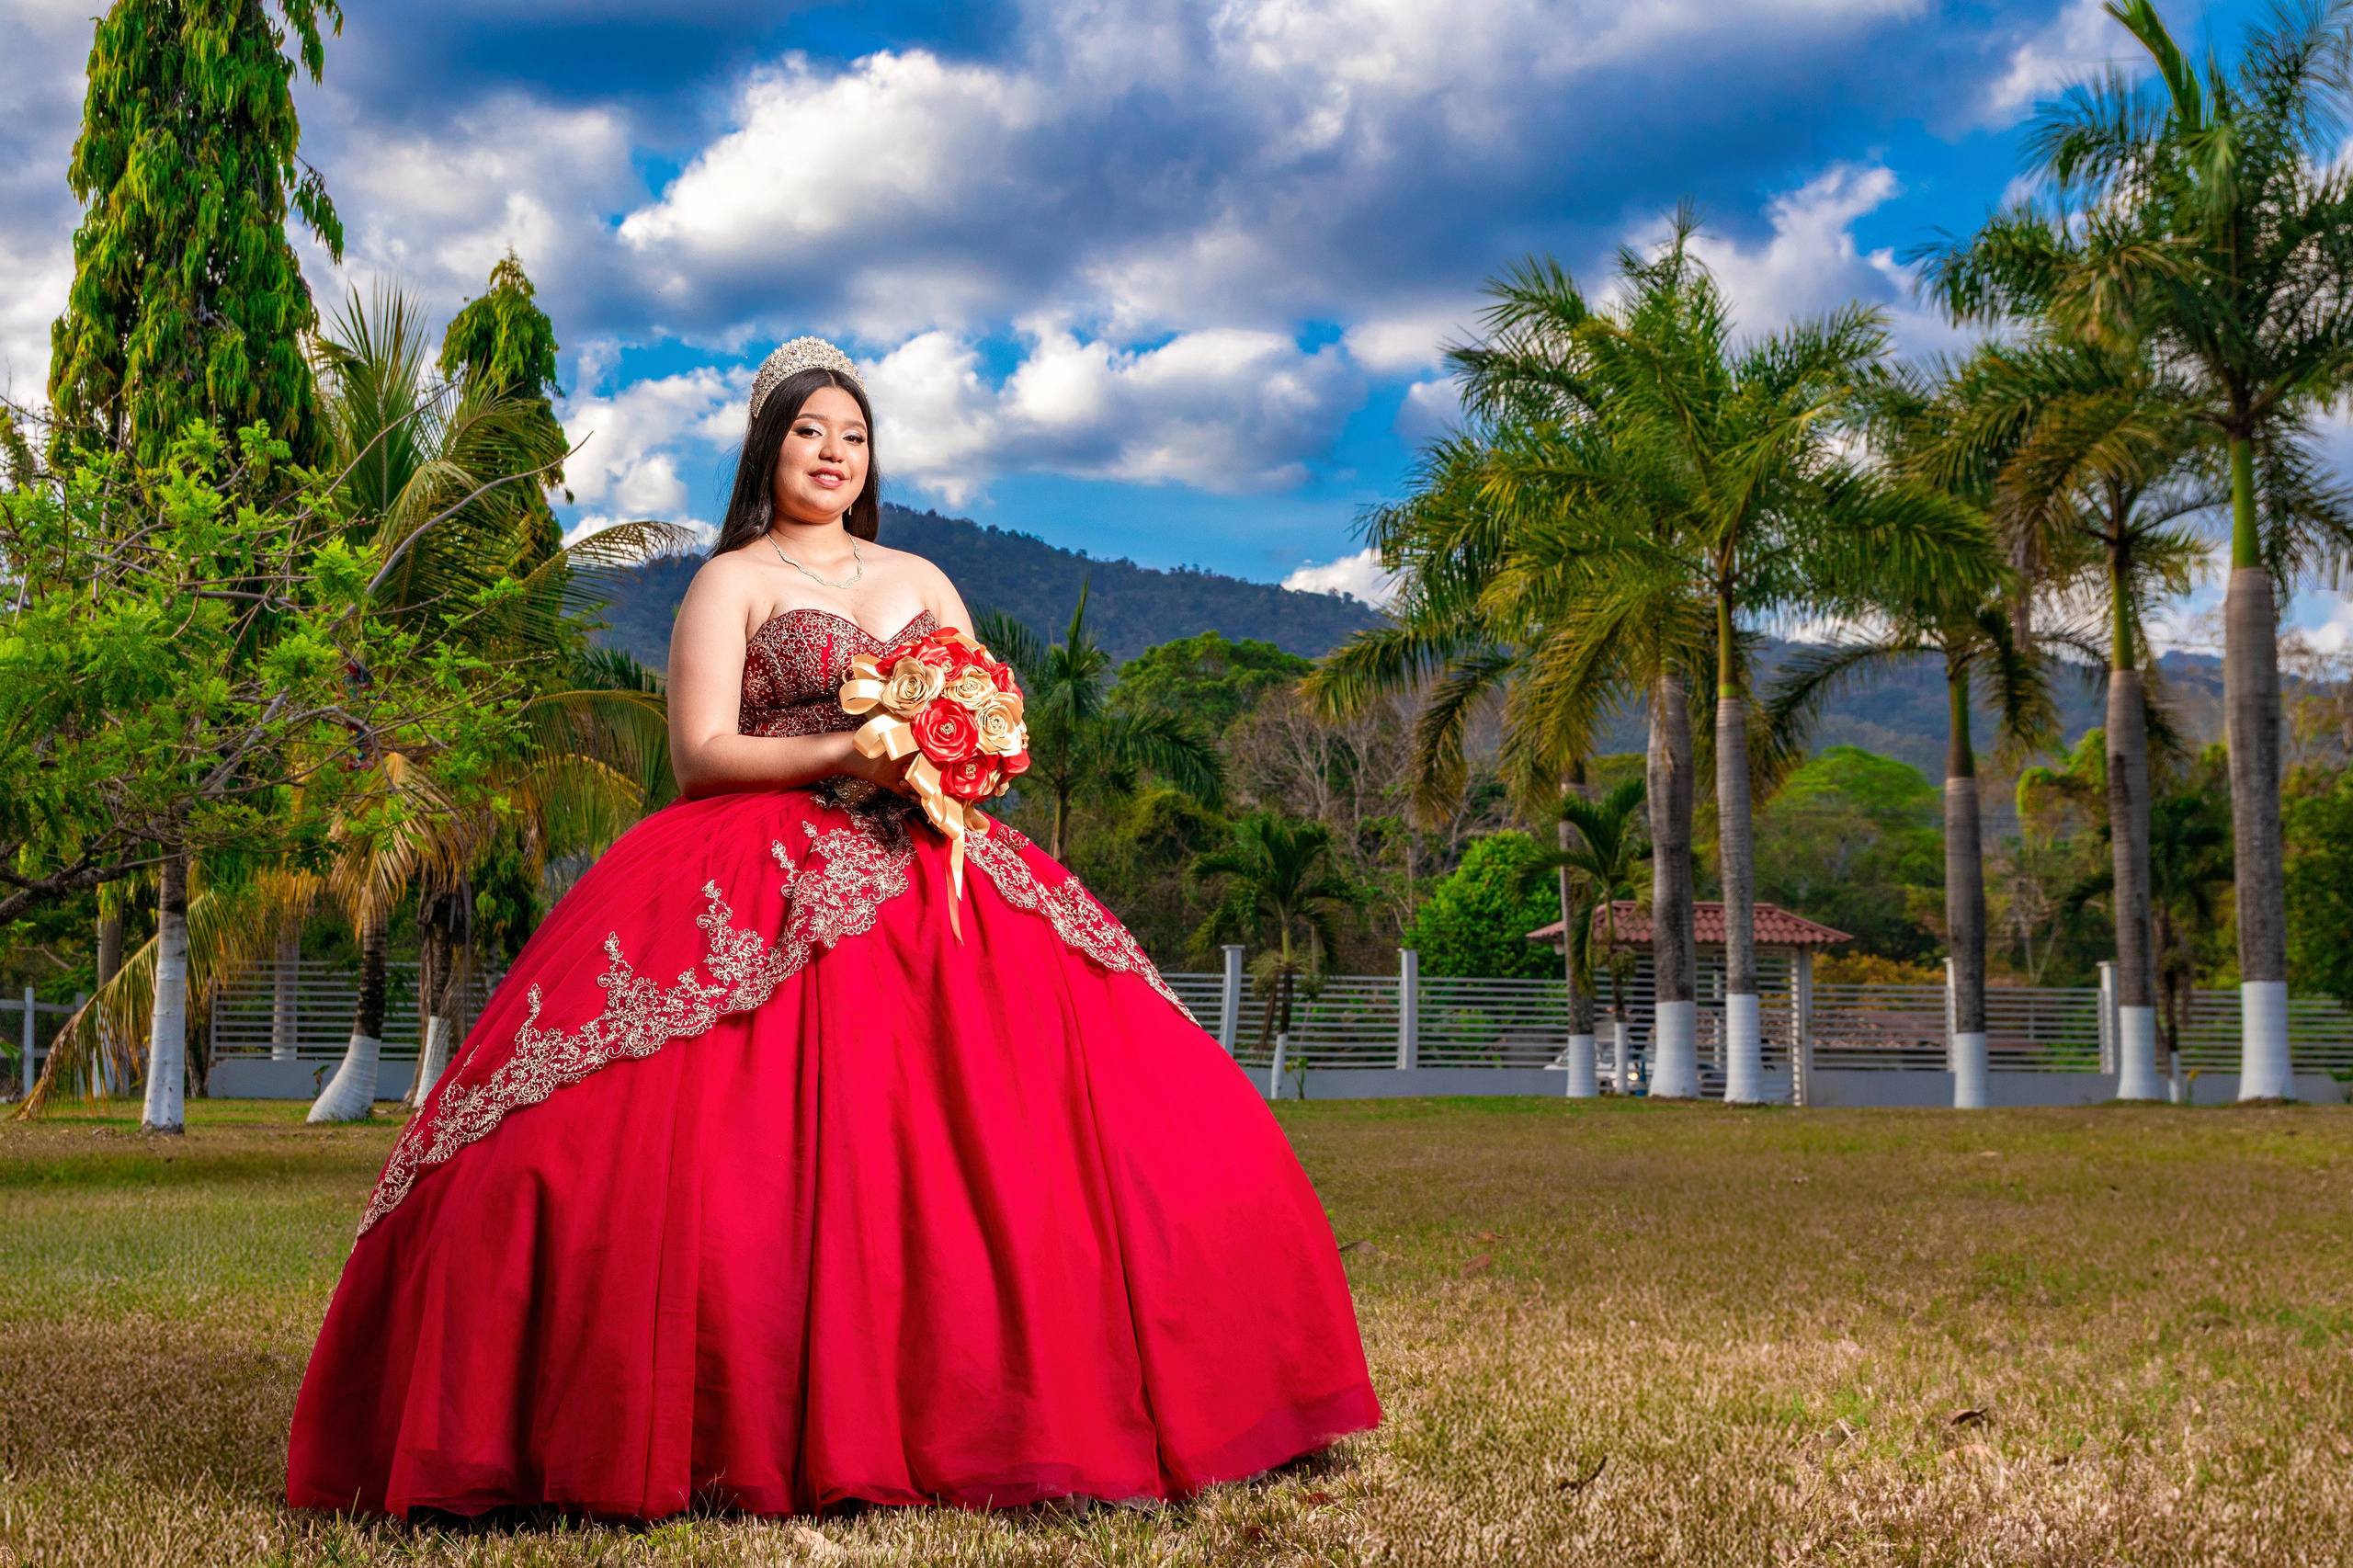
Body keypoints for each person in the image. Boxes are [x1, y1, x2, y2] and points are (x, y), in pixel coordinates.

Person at [286, 336, 1381, 1520]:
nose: (833, 453)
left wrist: (960, 756)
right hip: (762, 853)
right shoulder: (732, 582)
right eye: (809, 431)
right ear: (769, 449)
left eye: (853, 435)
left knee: (1118, 1111)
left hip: (934, 860)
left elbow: (986, 714)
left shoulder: (922, 575)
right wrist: (850, 753)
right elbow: (702, 755)